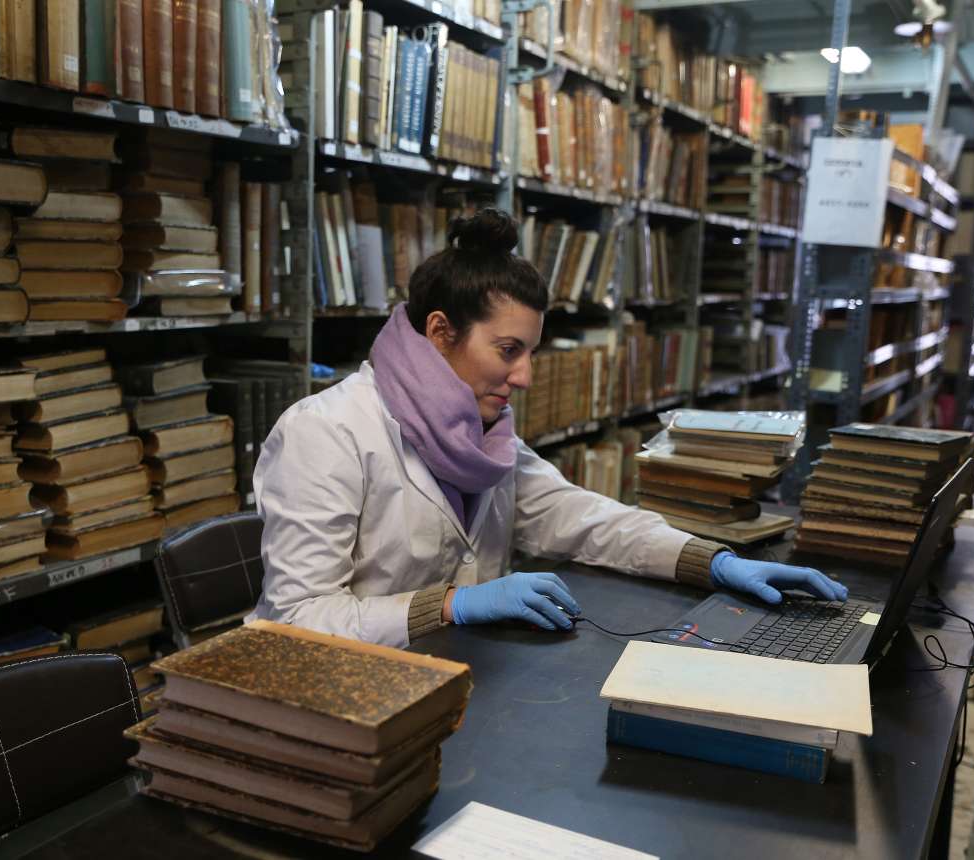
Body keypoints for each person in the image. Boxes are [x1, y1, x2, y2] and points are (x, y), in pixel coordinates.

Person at [247, 209, 845, 648]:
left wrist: (709, 561)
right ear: (439, 332)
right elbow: (295, 620)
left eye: (530, 352)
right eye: (508, 350)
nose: (526, 377)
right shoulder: (325, 434)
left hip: (452, 678)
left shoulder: (479, 433)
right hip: (345, 702)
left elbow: (578, 517)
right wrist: (450, 605)